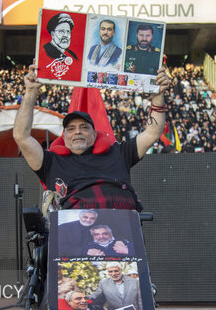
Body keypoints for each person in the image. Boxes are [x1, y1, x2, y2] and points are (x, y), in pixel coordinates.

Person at [12, 63, 169, 211]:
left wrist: (158, 95)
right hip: (74, 234)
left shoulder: (119, 152)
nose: (77, 132)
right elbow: (21, 136)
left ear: (95, 134)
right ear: (64, 136)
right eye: (71, 129)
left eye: (84, 127)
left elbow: (152, 133)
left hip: (123, 232)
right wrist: (31, 91)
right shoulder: (51, 162)